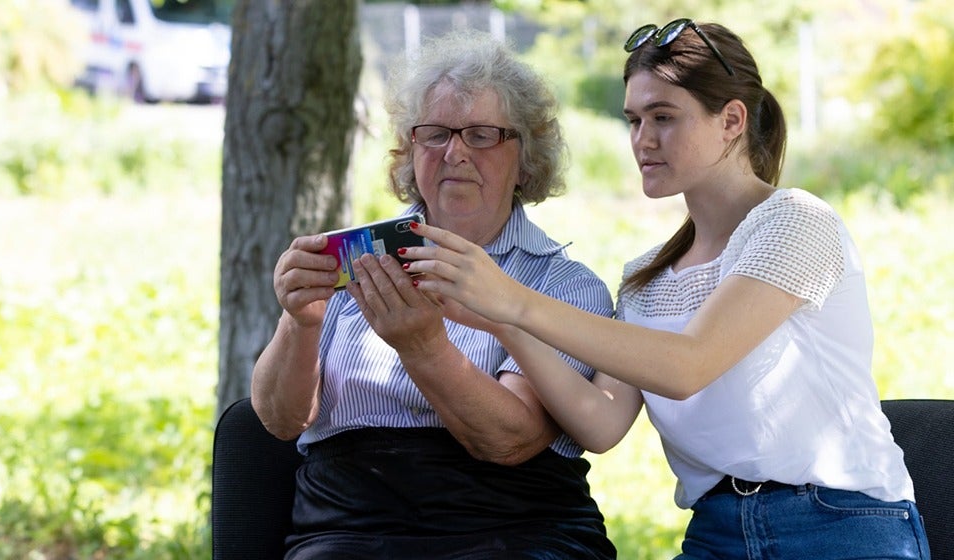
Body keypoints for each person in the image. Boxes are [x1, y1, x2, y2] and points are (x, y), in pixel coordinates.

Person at [402, 19, 932, 560]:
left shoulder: (795, 223)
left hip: (837, 526)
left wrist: (514, 299)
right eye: (634, 120)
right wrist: (501, 323)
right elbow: (601, 422)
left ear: (731, 120)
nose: (642, 140)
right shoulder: (646, 278)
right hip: (716, 534)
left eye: (664, 117)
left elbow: (688, 366)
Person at [250, 29, 618, 559]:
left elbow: (510, 439)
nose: (456, 153)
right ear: (409, 149)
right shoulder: (355, 256)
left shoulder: (562, 285)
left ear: (526, 157)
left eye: (483, 135)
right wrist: (301, 322)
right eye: (436, 134)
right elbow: (280, 420)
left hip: (512, 526)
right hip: (350, 524)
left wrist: (424, 346)